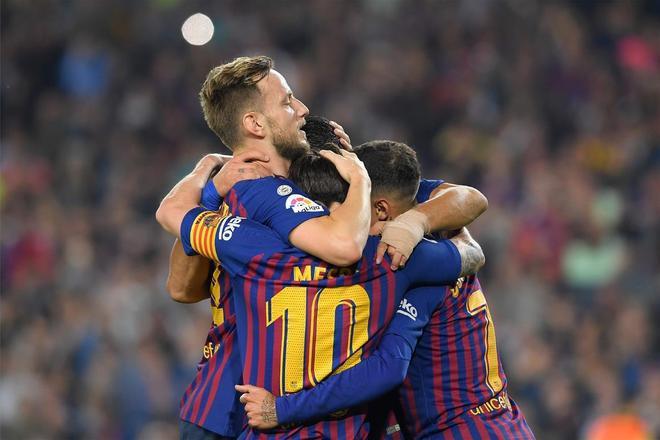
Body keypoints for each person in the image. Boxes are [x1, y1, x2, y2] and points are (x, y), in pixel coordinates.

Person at [170, 112, 488, 437]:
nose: (299, 107)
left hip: (239, 406)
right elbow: (470, 250)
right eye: (287, 102)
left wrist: (207, 186)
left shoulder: (254, 233)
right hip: (266, 409)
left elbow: (176, 256)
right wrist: (415, 222)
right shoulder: (386, 256)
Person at [235, 142, 535, 439]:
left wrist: (281, 409)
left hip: (456, 431)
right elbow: (470, 230)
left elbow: (388, 367)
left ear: (380, 209)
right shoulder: (439, 230)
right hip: (504, 422)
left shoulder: (396, 258)